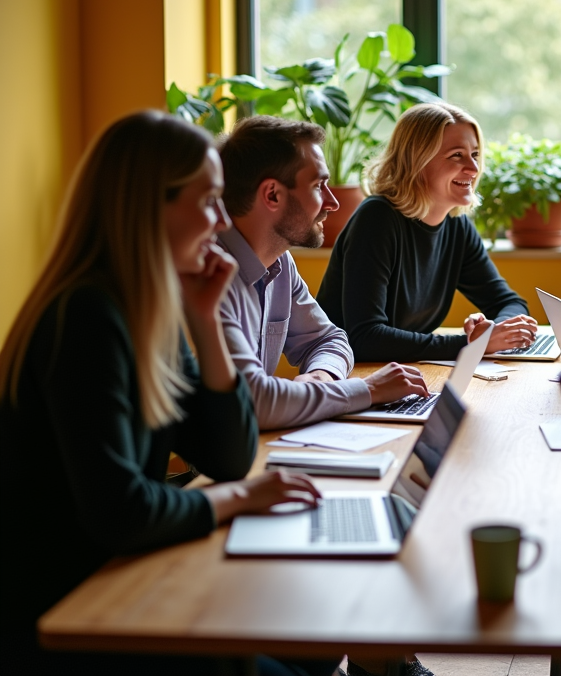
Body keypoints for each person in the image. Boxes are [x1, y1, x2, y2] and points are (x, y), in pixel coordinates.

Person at [0, 112, 333, 676]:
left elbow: (227, 457)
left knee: (314, 644)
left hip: (122, 578)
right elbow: (122, 512)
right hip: (68, 614)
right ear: (148, 205)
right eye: (207, 201)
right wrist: (241, 501)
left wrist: (205, 322)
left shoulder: (151, 308)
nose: (220, 219)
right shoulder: (86, 316)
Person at [217, 116, 428, 429]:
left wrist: (321, 377)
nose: (331, 201)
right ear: (272, 194)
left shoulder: (280, 263)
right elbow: (254, 403)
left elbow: (330, 340)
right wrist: (368, 389)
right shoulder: (209, 275)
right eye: (318, 186)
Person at [316, 102, 538, 362]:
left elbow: (508, 302)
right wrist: (471, 344)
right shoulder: (377, 219)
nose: (473, 168)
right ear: (417, 161)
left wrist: (494, 331)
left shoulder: (457, 225)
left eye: (475, 155)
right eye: (457, 155)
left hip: (401, 371)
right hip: (348, 376)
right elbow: (365, 337)